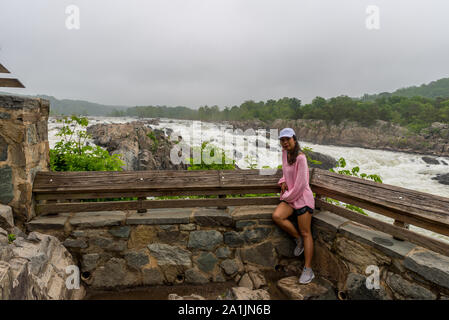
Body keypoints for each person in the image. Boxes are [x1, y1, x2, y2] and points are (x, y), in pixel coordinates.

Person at [272, 128, 315, 284]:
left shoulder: (301, 158)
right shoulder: (285, 154)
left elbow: (301, 184)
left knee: (306, 232)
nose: (285, 142)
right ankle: (298, 240)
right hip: (291, 197)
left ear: (294, 140)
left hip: (302, 198)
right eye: (282, 140)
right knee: (277, 216)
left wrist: (285, 196)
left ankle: (308, 269)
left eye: (287, 139)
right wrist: (283, 180)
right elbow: (286, 171)